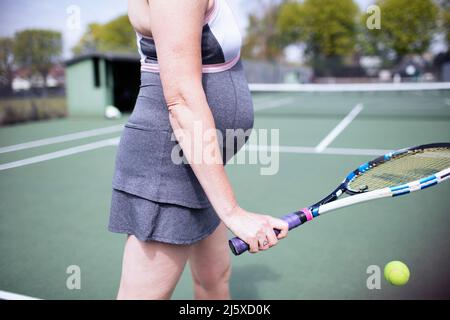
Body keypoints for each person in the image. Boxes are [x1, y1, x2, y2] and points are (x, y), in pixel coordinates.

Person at [108, 0, 289, 300]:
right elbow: (181, 101)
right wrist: (232, 213)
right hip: (168, 167)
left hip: (196, 164)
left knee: (213, 279)